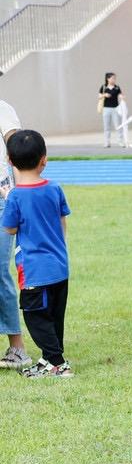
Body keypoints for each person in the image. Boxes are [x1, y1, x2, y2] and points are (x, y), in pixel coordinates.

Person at [1, 130, 71, 379]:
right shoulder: (54, 188)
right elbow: (62, 221)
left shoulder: (16, 196)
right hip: (59, 266)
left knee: (35, 317)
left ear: (9, 161)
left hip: (33, 271)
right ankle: (49, 359)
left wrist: (7, 198)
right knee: (54, 316)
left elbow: (9, 229)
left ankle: (58, 364)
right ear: (44, 159)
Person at [0, 98, 27, 369]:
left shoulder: (3, 108)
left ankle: (17, 347)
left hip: (2, 198)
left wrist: (21, 196)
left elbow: (17, 151)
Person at [99, 72, 128, 148]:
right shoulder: (103, 87)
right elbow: (99, 96)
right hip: (106, 109)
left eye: (115, 78)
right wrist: (105, 95)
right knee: (106, 126)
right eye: (112, 78)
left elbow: (120, 95)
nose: (114, 80)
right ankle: (107, 142)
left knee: (118, 125)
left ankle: (120, 141)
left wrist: (122, 97)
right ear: (108, 79)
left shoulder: (117, 87)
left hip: (115, 108)